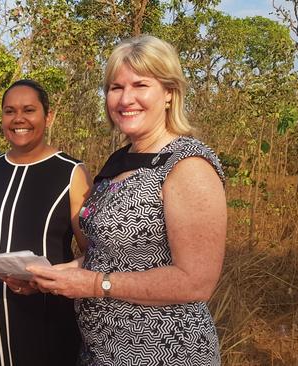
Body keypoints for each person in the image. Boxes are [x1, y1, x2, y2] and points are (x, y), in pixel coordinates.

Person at [28, 35, 227, 365]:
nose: (125, 98)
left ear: (169, 93)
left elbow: (196, 281)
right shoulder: (120, 160)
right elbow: (110, 255)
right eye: (115, 87)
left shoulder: (187, 166)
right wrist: (55, 277)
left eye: (140, 85)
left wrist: (93, 284)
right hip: (101, 350)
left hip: (165, 350)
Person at [0, 79, 92, 366]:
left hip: (45, 311)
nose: (18, 119)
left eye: (29, 110)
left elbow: (94, 251)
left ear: (49, 116)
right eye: (10, 111)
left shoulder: (71, 172)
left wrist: (47, 280)